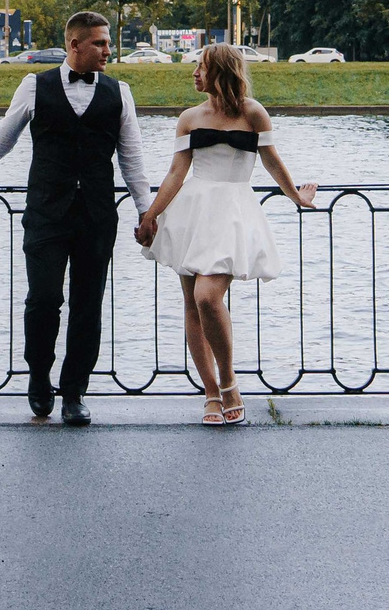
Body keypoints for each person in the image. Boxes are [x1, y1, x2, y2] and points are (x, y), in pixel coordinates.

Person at [0, 11, 150, 425]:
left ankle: (74, 391)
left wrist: (146, 210)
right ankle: (39, 376)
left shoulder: (120, 92)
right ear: (75, 45)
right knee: (43, 299)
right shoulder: (34, 86)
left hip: (96, 217)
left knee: (88, 305)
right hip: (45, 214)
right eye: (100, 43)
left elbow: (132, 158)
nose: (108, 51)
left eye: (107, 43)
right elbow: (3, 137)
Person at [134, 43, 316, 426]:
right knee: (191, 303)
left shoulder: (253, 113)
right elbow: (176, 173)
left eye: (201, 67)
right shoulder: (189, 118)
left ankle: (229, 381)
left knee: (207, 296)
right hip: (192, 212)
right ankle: (211, 393)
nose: (194, 74)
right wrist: (151, 216)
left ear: (220, 71)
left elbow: (271, 161)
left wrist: (296, 196)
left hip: (232, 211)